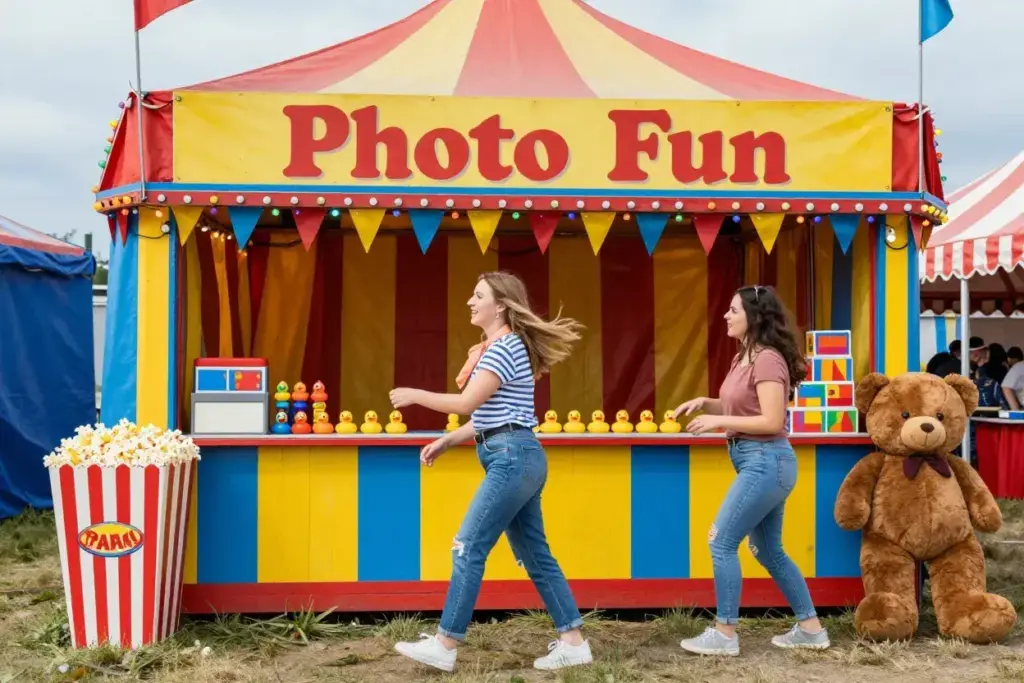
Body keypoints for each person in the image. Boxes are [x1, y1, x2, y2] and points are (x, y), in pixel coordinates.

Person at [388, 271, 592, 673]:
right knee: (535, 554)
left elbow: (467, 403)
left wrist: (415, 395)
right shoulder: (502, 347)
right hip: (516, 453)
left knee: (467, 547)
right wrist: (448, 441)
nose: (469, 301)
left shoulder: (503, 348)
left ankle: (445, 644)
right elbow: (490, 415)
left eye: (477, 295)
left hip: (511, 457)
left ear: (500, 305)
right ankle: (573, 642)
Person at [674, 285, 829, 656]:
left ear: (754, 317)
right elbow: (744, 405)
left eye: (733, 310)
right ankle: (811, 630)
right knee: (767, 549)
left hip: (766, 460)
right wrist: (706, 402)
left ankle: (724, 633)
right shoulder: (743, 356)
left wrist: (716, 420)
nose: (726, 316)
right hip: (755, 460)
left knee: (720, 542)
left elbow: (772, 419)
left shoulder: (767, 359)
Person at [1003, 346, 1024, 410]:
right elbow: (1006, 387)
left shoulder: (1018, 367)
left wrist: (1016, 411)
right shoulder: (1020, 366)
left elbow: (1006, 387)